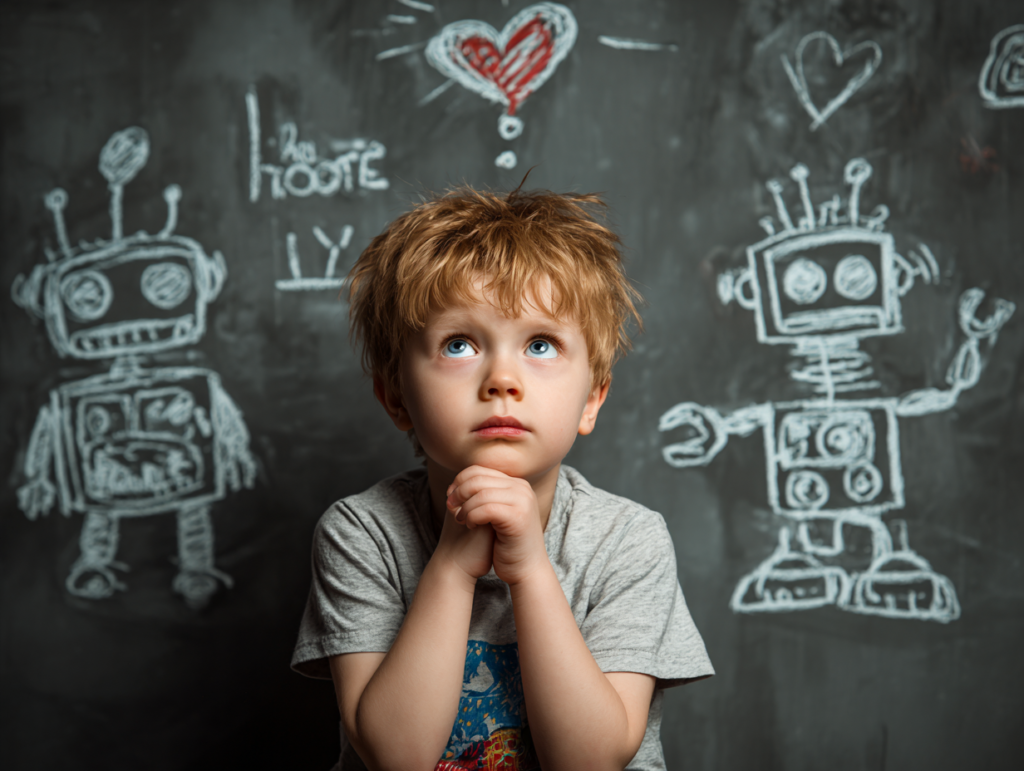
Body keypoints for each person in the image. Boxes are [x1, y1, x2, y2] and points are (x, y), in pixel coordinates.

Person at [291, 186, 714, 770]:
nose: (503, 379)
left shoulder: (627, 540)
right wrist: (453, 561)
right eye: (459, 344)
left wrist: (531, 568)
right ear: (397, 398)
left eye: (540, 344)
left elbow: (590, 762)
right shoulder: (363, 532)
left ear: (592, 398)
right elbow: (397, 756)